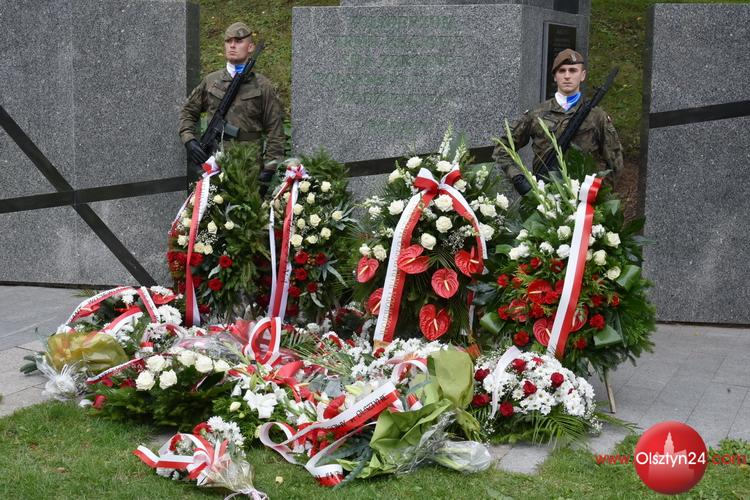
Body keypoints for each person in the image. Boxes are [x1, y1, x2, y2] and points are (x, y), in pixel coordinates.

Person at [493, 49, 623, 195]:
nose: (567, 76)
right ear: (555, 76)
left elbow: (615, 163)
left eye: (573, 70)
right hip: (543, 197)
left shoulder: (597, 116)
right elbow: (502, 148)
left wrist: (597, 196)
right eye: (562, 71)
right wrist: (518, 178)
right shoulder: (537, 114)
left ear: (582, 75)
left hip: (583, 201)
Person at [179, 22, 285, 182]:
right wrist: (189, 140)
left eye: (239, 41)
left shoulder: (263, 85)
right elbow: (188, 112)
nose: (232, 45)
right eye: (228, 41)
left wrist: (269, 168)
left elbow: (275, 130)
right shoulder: (211, 81)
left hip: (249, 168)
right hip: (214, 166)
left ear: (250, 47)